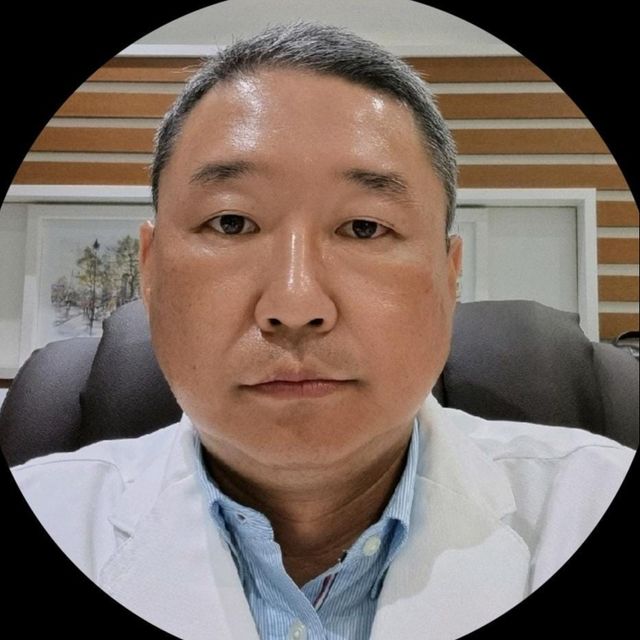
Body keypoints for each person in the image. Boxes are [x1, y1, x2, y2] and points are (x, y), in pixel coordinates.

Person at [11, 22, 634, 640]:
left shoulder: (589, 504)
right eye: (231, 223)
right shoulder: (48, 512)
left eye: (364, 228)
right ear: (150, 274)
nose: (295, 303)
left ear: (450, 278)